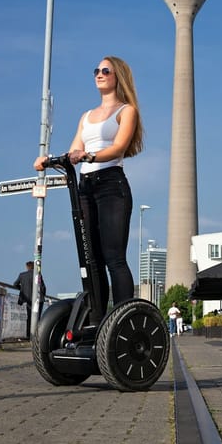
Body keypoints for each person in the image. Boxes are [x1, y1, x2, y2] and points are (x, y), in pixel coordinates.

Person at [34, 56, 144, 315]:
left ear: (118, 76)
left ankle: (121, 317)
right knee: (90, 259)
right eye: (96, 70)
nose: (99, 74)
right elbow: (75, 148)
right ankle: (97, 319)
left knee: (113, 258)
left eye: (106, 70)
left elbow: (118, 148)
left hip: (111, 185)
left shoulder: (126, 111)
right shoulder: (86, 116)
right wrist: (49, 160)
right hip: (85, 187)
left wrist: (90, 156)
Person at [13, 260, 46, 339]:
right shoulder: (38, 275)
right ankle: (37, 335)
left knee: (29, 317)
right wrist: (43, 295)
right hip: (39, 299)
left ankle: (29, 335)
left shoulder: (22, 275)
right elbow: (43, 287)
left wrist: (22, 289)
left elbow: (15, 284)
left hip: (28, 299)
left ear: (27, 267)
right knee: (37, 317)